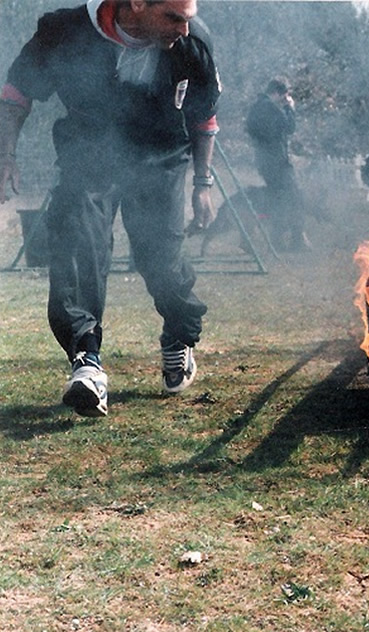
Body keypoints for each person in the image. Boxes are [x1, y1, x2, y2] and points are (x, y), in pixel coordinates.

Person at [0, 0, 222, 417]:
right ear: (136, 3)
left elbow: (204, 118)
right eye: (173, 17)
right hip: (90, 157)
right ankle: (87, 362)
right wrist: (5, 156)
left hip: (162, 160)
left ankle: (178, 334)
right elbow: (16, 93)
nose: (184, 30)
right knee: (77, 239)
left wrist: (202, 184)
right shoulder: (64, 31)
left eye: (187, 19)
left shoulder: (194, 43)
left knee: (163, 261)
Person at [244, 76, 309, 251]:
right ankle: (296, 241)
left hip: (265, 162)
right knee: (295, 199)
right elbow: (289, 127)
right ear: (276, 92)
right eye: (284, 94)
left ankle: (278, 240)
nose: (285, 98)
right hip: (278, 164)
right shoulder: (271, 108)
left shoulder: (256, 108)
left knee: (279, 200)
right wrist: (290, 108)